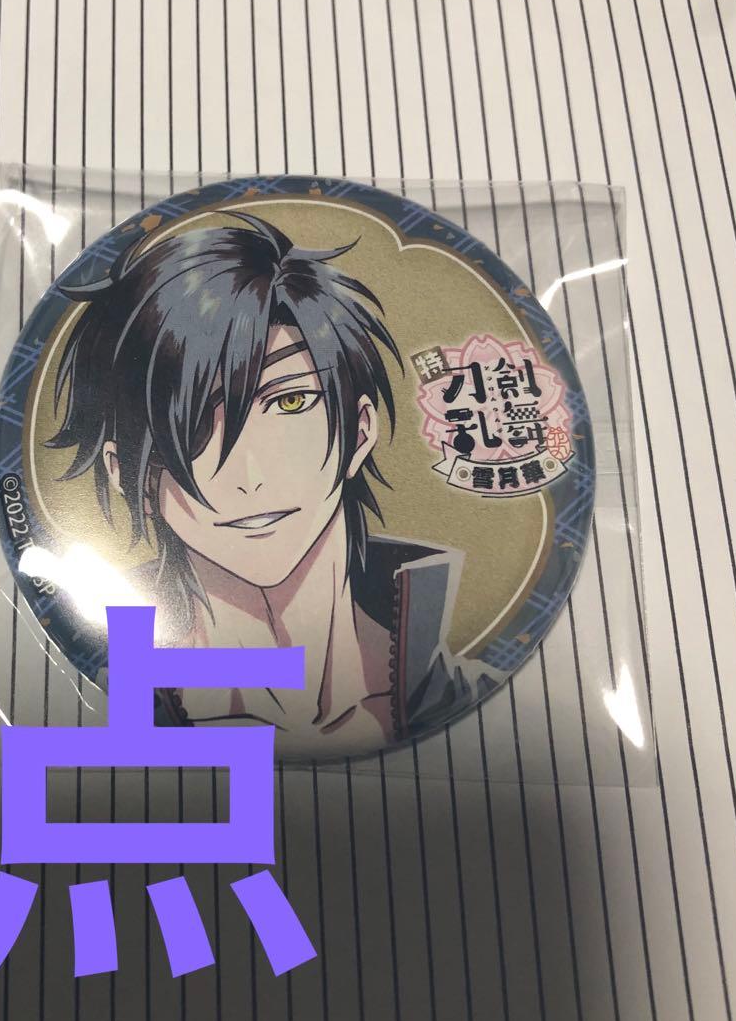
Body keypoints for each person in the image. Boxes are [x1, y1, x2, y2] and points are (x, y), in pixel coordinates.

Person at [48, 212, 498, 756]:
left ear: (359, 433)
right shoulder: (89, 698)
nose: (249, 476)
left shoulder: (461, 693)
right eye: (191, 425)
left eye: (290, 401)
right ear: (128, 475)